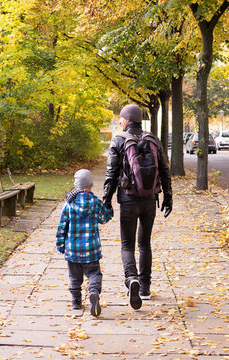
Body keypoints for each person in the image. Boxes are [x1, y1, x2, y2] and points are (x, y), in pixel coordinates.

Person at [103, 104, 172, 310]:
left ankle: (131, 279)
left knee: (127, 244)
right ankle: (145, 288)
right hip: (150, 198)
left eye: (121, 119)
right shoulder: (153, 139)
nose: (120, 122)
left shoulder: (119, 140)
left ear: (126, 120)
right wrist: (168, 196)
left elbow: (111, 174)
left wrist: (106, 201)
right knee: (145, 243)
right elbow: (165, 170)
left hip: (127, 200)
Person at [56, 169, 113, 317]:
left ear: (76, 185)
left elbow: (62, 226)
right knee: (94, 273)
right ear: (90, 185)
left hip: (73, 249)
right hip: (91, 249)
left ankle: (76, 301)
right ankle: (93, 291)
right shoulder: (95, 202)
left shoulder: (68, 204)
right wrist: (108, 208)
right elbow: (104, 218)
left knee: (74, 277)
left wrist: (61, 244)